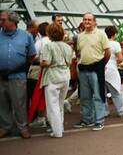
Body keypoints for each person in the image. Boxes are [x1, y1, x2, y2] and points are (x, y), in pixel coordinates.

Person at [0, 11, 36, 139]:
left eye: (3, 20)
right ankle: (5, 127)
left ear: (13, 22)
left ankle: (23, 127)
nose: (1, 22)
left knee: (19, 103)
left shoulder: (26, 36)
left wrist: (21, 67)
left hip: (18, 76)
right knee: (2, 103)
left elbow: (32, 55)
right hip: (0, 77)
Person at [74, 13, 110, 131]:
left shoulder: (101, 34)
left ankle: (99, 120)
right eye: (85, 19)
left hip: (96, 69)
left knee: (98, 95)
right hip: (83, 69)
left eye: (89, 20)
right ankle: (87, 119)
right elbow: (78, 52)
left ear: (94, 22)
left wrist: (101, 65)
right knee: (84, 96)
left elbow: (107, 52)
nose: (87, 21)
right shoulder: (80, 36)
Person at [40, 23, 73, 138]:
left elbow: (46, 62)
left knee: (52, 105)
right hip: (65, 75)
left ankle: (57, 131)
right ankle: (60, 127)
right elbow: (70, 62)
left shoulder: (48, 46)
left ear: (49, 33)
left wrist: (41, 62)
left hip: (53, 77)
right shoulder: (68, 47)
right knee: (59, 103)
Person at [28, 22, 50, 128]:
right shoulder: (53, 42)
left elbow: (33, 56)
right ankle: (47, 118)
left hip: (38, 70)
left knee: (36, 94)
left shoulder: (39, 42)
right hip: (51, 72)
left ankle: (39, 118)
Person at [104, 26, 123, 117]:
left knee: (102, 92)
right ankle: (121, 111)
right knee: (116, 90)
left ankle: (105, 112)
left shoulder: (102, 42)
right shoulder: (115, 44)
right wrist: (117, 61)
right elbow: (120, 58)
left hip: (101, 68)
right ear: (114, 34)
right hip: (112, 68)